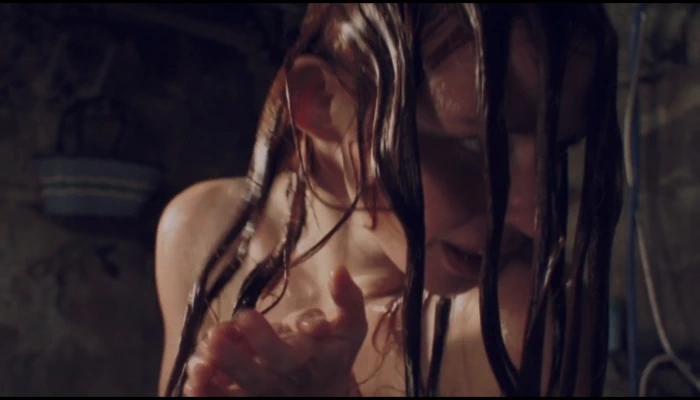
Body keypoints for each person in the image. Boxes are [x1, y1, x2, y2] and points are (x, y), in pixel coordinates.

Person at [154, 3, 623, 397]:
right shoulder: (208, 232)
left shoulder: (522, 323)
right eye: (476, 146)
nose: (534, 218)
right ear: (321, 102)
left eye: (556, 152)